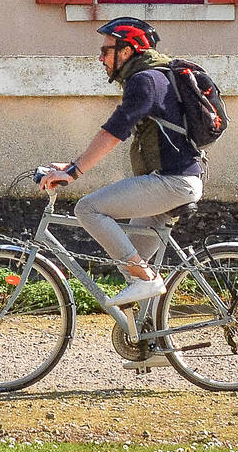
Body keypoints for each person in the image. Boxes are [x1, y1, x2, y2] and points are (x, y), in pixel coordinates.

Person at [40, 17, 204, 313]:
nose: (101, 57)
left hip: (171, 183)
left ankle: (145, 279)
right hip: (174, 182)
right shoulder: (152, 77)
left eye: (106, 50)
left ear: (127, 51)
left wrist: (73, 172)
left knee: (87, 209)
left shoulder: (145, 81)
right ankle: (155, 347)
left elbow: (113, 132)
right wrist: (71, 165)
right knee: (130, 265)